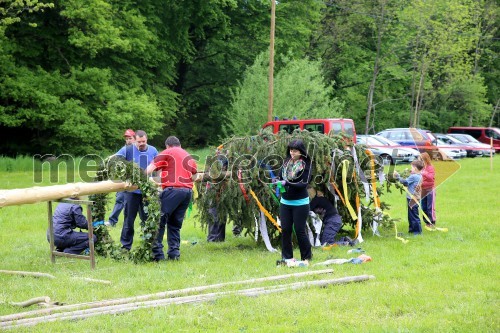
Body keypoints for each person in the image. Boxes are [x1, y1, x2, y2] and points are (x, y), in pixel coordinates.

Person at [146, 136, 197, 261]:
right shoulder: (188, 155)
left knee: (159, 220)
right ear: (179, 144)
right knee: (175, 224)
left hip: (173, 190)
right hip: (187, 192)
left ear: (167, 145)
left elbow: (149, 169)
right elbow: (194, 176)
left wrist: (138, 178)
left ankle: (157, 255)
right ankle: (174, 255)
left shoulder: (167, 152)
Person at [115, 130, 158, 250]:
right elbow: (115, 160)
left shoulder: (153, 150)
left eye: (143, 141)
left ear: (147, 139)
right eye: (139, 142)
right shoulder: (127, 149)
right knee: (129, 220)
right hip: (131, 191)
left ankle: (149, 245)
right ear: (134, 140)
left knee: (147, 219)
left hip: (147, 191)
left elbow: (158, 165)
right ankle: (125, 246)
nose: (141, 144)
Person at [275, 139, 313, 261]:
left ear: (301, 151)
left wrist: (287, 183)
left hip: (300, 203)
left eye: (295, 150)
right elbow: (280, 177)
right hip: (285, 203)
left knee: (299, 230)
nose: (292, 153)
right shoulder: (286, 163)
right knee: (285, 230)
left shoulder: (306, 165)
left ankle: (306, 257)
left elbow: (303, 184)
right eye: (291, 150)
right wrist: (277, 181)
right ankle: (287, 258)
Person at [106, 129, 136, 227]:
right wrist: (108, 160)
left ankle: (146, 224)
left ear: (135, 139)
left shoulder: (139, 148)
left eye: (130, 138)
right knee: (120, 199)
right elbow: (116, 156)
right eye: (127, 139)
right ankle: (112, 221)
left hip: (138, 179)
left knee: (141, 203)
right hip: (125, 179)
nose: (128, 140)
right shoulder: (124, 149)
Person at [394, 160, 424, 235]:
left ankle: (417, 232)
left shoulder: (414, 176)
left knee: (413, 215)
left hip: (412, 199)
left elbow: (405, 182)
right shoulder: (420, 175)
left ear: (415, 168)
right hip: (415, 198)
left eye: (412, 168)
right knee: (411, 215)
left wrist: (397, 176)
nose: (411, 169)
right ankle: (412, 230)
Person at [420, 152, 436, 228]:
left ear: (426, 160)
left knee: (430, 206)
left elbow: (431, 177)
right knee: (423, 206)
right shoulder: (421, 168)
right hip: (422, 189)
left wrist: (424, 173)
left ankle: (432, 221)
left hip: (430, 189)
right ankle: (426, 221)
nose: (421, 161)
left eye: (422, 160)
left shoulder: (430, 167)